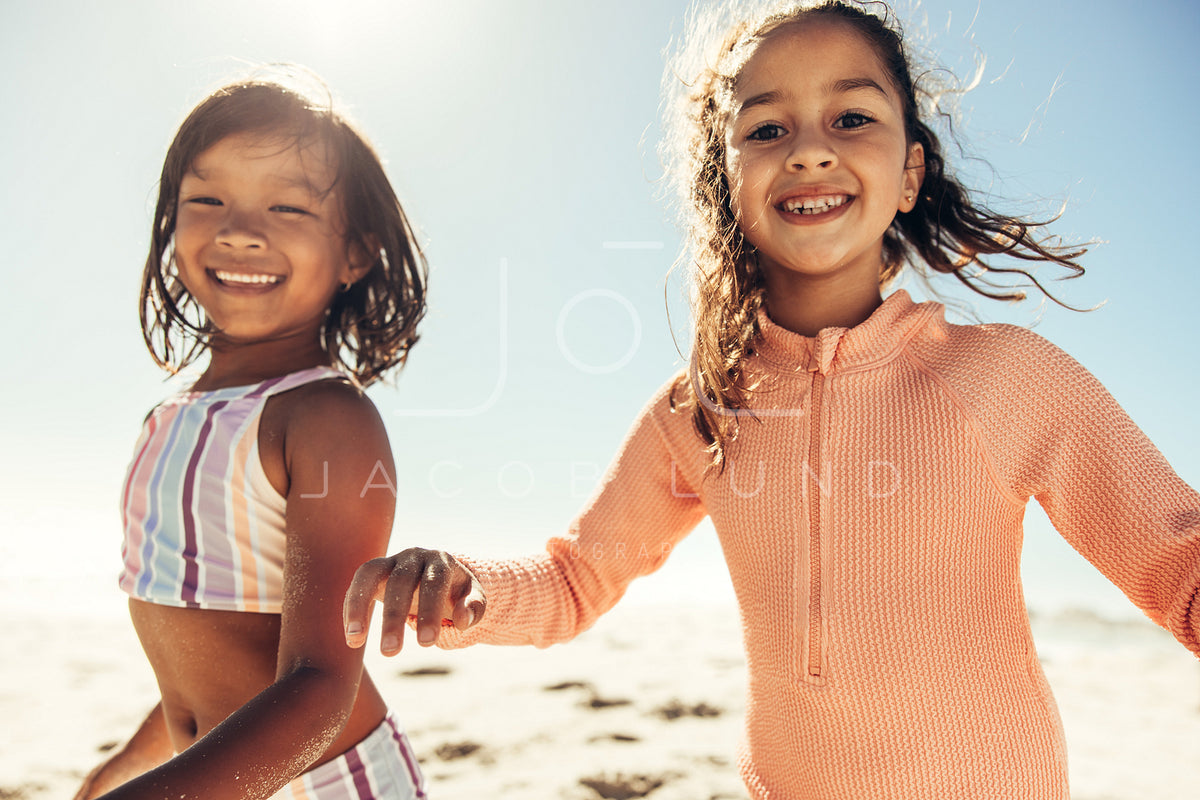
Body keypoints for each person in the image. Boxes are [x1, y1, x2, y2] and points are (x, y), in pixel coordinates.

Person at [342, 2, 1200, 798]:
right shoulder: (702, 408)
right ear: (728, 181)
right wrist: (465, 588)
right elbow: (576, 580)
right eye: (767, 127)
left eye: (852, 118)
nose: (810, 150)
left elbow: (1177, 564)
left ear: (910, 175)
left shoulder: (1006, 377)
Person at [76, 72, 429, 800]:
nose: (239, 229)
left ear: (355, 254)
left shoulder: (326, 420)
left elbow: (320, 685)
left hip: (331, 782)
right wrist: (128, 765)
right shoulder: (170, 417)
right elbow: (204, 659)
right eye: (208, 199)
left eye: (288, 206)